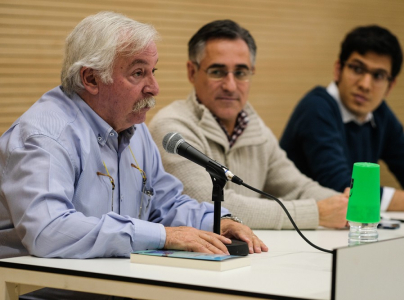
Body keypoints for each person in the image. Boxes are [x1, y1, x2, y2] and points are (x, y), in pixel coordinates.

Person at [0, 12, 267, 261]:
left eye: (153, 71)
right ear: (91, 79)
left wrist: (218, 221)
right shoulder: (46, 136)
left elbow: (166, 203)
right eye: (138, 73)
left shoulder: (132, 130)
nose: (154, 88)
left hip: (118, 283)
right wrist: (164, 236)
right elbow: (49, 231)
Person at [148, 20, 349, 230]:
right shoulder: (172, 128)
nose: (230, 85)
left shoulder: (254, 126)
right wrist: (315, 213)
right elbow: (210, 205)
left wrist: (344, 204)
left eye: (241, 73)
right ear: (192, 72)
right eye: (217, 72)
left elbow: (297, 187)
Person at [280, 25, 404, 212]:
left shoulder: (380, 113)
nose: (365, 85)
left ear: (390, 86)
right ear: (338, 69)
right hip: (298, 227)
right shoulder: (316, 107)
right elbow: (341, 187)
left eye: (378, 75)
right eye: (357, 69)